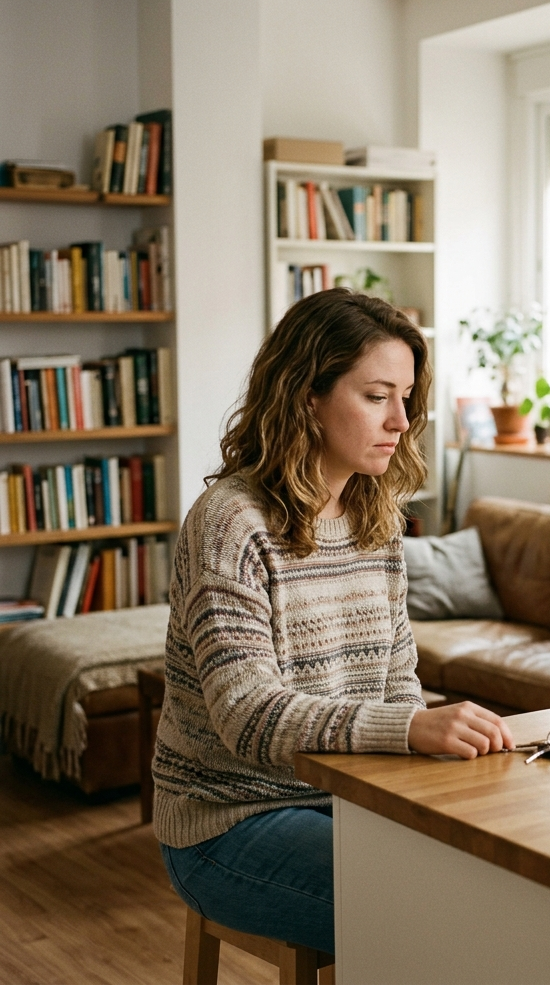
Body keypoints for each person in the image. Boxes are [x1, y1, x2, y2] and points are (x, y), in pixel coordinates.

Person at [153, 291, 514, 953]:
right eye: (378, 396)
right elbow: (246, 715)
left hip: (348, 796)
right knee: (449, 913)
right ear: (307, 397)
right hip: (229, 821)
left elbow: (397, 675)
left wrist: (421, 754)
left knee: (506, 879)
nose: (402, 420)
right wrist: (410, 730)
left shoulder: (375, 518)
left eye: (406, 398)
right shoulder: (230, 521)